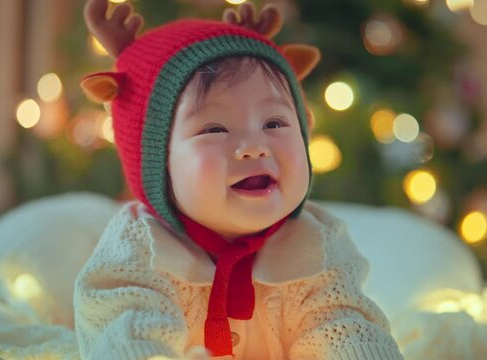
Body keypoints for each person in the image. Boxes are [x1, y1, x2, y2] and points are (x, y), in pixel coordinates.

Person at [74, 0, 404, 359]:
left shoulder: (315, 245)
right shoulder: (139, 252)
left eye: (274, 124)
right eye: (214, 129)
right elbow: (128, 337)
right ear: (154, 159)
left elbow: (344, 327)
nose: (253, 148)